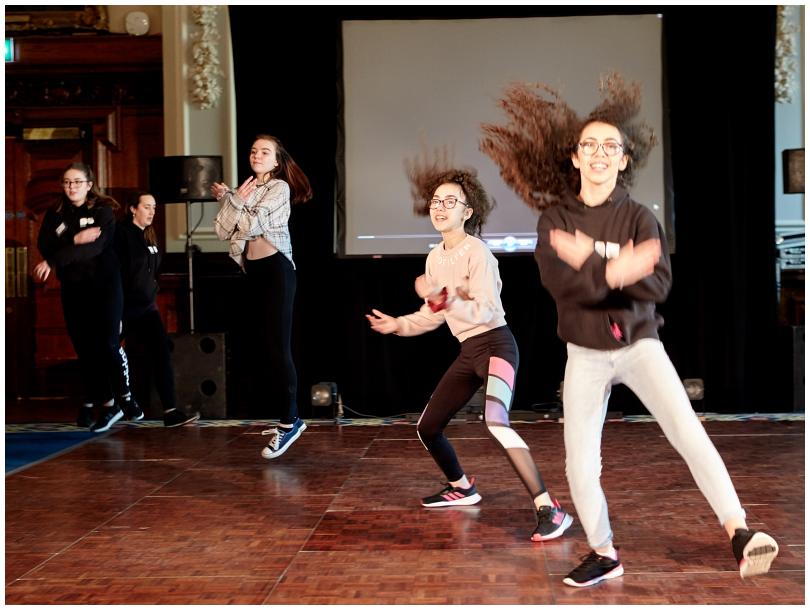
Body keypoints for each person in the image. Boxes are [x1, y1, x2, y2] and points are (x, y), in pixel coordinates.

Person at [481, 73, 779, 587]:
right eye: (589, 145)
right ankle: (603, 551)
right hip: (585, 354)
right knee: (580, 466)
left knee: (689, 433)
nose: (600, 153)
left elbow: (658, 284)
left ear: (623, 160)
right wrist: (619, 269)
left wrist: (597, 265)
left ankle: (739, 531)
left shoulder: (641, 218)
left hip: (641, 346)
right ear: (574, 157)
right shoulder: (554, 219)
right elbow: (563, 286)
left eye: (610, 146)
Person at [366, 158, 573, 542]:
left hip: (496, 345)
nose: (439, 207)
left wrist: (443, 302)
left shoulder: (478, 252)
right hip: (467, 352)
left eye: (449, 201)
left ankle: (550, 508)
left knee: (495, 422)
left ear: (468, 211)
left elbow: (488, 309)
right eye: (435, 201)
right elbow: (433, 315)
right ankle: (461, 486)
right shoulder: (434, 257)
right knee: (427, 427)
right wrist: (399, 324)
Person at [212, 134, 312, 459]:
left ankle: (291, 421)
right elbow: (221, 230)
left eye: (264, 152)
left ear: (276, 161)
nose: (256, 155)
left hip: (276, 271)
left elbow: (251, 224)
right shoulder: (247, 188)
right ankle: (285, 415)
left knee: (278, 346)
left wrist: (232, 200)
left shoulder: (279, 188)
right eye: (254, 151)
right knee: (264, 347)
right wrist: (233, 201)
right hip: (252, 271)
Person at [34, 162, 143, 433]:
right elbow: (45, 245)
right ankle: (105, 403)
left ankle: (125, 398)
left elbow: (94, 247)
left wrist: (58, 256)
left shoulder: (102, 211)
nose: (72, 187)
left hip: (105, 286)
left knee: (107, 343)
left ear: (89, 185)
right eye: (67, 182)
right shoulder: (55, 213)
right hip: (73, 287)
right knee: (84, 348)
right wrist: (74, 239)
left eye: (77, 182)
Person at [115, 191, 200, 427]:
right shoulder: (121, 234)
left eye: (154, 207)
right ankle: (106, 405)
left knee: (161, 352)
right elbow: (117, 273)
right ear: (133, 208)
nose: (152, 211)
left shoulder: (148, 236)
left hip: (146, 309)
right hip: (123, 308)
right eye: (147, 207)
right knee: (109, 354)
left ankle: (170, 410)